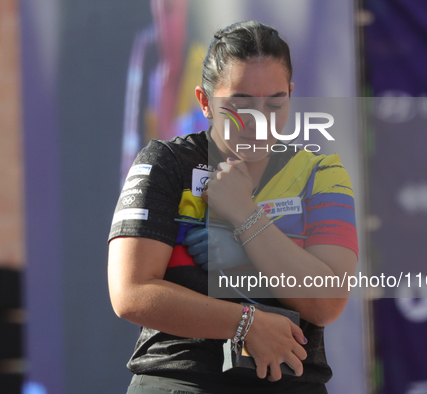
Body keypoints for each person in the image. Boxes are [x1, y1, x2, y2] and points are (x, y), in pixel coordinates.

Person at [107, 21, 358, 394]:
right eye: (240, 102)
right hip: (181, 380)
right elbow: (131, 292)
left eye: (275, 102)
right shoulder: (167, 163)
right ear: (205, 102)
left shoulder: (321, 173)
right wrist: (245, 323)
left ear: (290, 94)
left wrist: (244, 215)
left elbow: (325, 301)